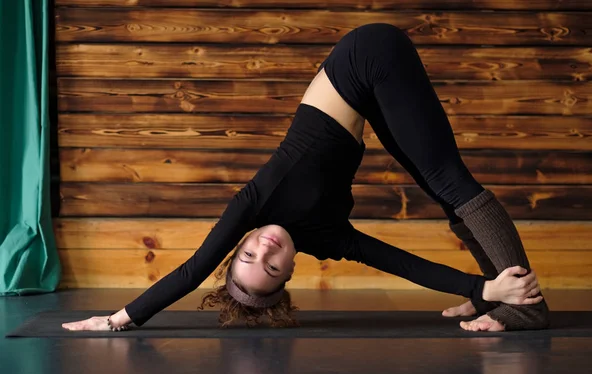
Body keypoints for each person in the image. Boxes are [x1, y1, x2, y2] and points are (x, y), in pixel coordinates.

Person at [62, 23, 549, 333]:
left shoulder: (254, 203)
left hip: (364, 57)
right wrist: (477, 290)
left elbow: (191, 272)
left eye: (249, 254)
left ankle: (523, 306)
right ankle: (499, 289)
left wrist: (118, 320)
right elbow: (401, 263)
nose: (267, 248)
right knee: (440, 186)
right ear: (293, 270)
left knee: (447, 179)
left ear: (241, 243)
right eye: (272, 267)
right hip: (365, 87)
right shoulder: (329, 239)